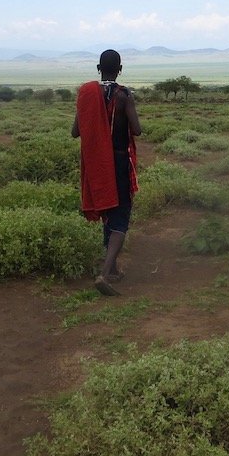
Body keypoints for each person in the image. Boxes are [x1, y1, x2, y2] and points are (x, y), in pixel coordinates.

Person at [72, 49, 141, 296]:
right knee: (121, 216)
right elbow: (137, 129)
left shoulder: (88, 95)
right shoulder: (123, 95)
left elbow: (75, 131)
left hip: (97, 165)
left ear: (98, 67)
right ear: (120, 68)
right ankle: (105, 272)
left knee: (107, 210)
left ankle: (112, 270)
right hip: (120, 162)